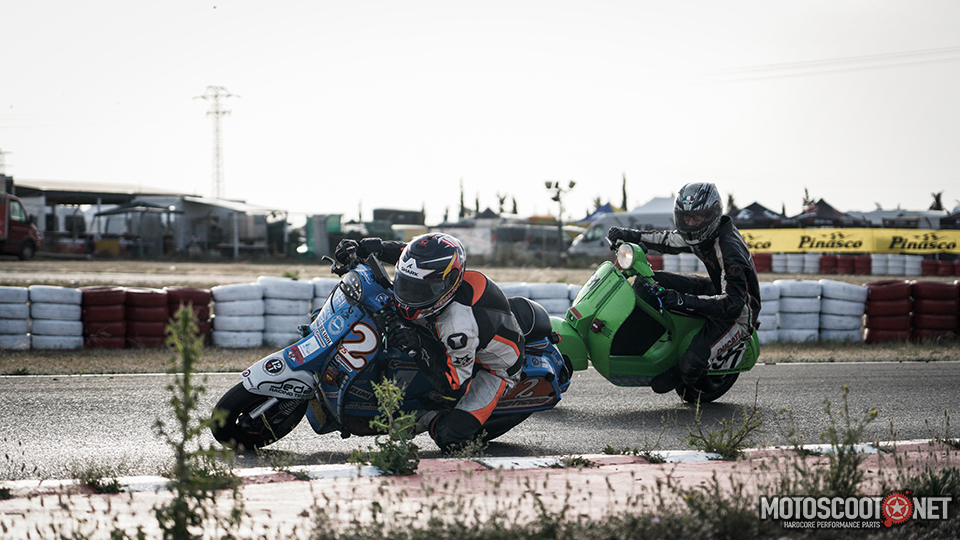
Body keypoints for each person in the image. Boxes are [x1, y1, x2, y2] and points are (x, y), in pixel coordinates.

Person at [334, 233, 524, 453]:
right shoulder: (435, 273)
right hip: (448, 331)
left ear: (448, 284)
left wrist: (417, 346)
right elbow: (407, 257)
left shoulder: (458, 328)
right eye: (406, 284)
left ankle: (426, 415)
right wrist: (363, 248)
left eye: (420, 290)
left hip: (492, 369)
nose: (409, 294)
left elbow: (453, 387)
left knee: (451, 438)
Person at [606, 182, 761, 394]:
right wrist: (629, 235)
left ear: (712, 215)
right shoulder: (702, 234)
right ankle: (645, 338)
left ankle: (679, 373)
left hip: (739, 312)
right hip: (716, 291)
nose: (690, 223)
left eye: (697, 217)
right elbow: (667, 240)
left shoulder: (729, 250)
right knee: (648, 282)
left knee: (692, 362)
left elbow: (733, 305)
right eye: (685, 217)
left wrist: (682, 300)